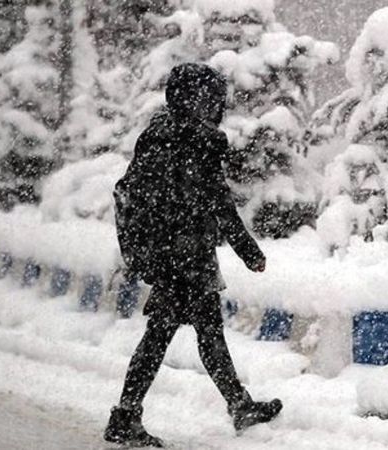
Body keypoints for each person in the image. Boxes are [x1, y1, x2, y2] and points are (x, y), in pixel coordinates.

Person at [104, 63, 282, 448]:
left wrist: (147, 249)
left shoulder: (158, 136)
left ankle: (236, 405)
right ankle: (127, 415)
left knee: (193, 331)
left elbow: (137, 194)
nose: (216, 106)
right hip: (185, 257)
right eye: (211, 98)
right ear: (196, 100)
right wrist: (249, 251)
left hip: (170, 254)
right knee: (172, 334)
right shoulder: (196, 142)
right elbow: (219, 202)